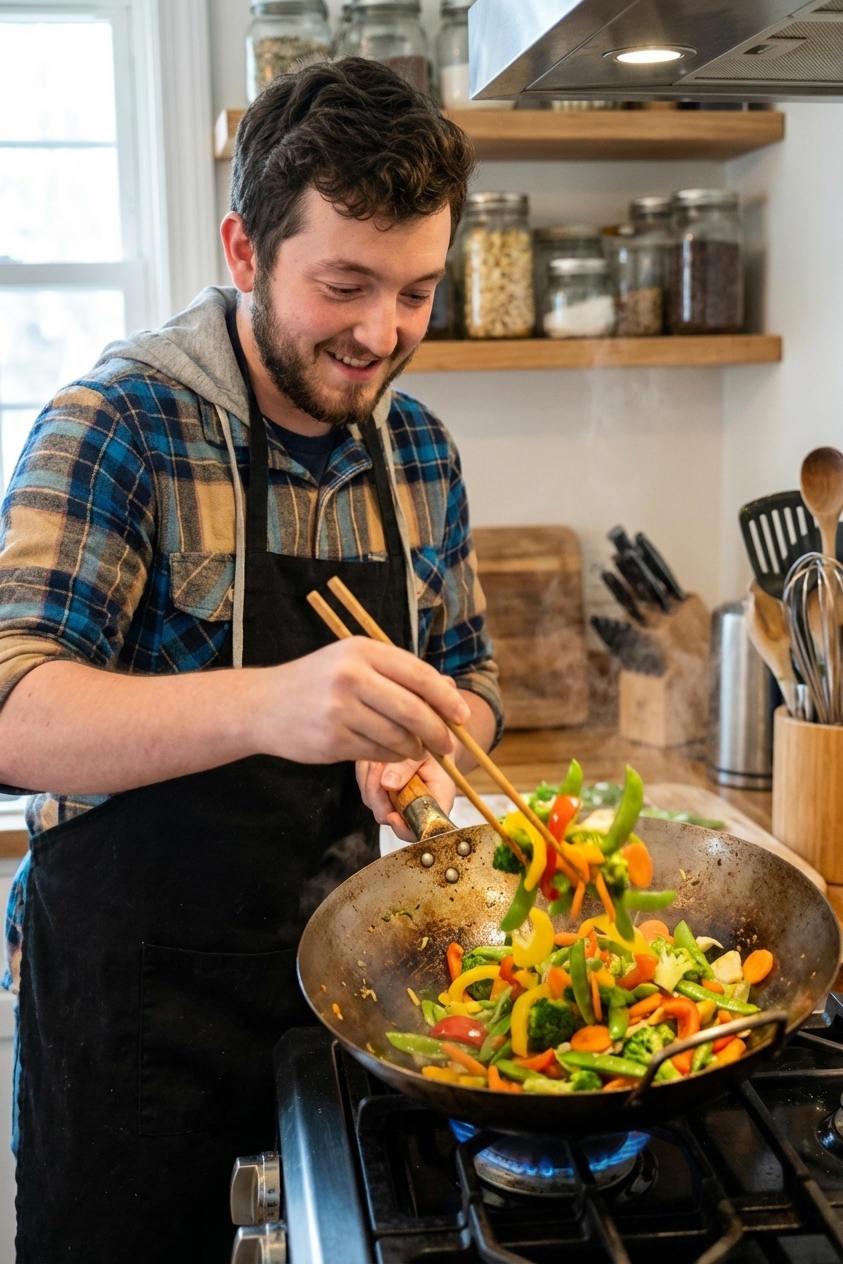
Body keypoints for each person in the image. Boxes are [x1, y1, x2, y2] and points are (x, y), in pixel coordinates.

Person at [0, 59, 502, 1262]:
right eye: (344, 285)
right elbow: (14, 711)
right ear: (244, 249)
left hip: (358, 1009)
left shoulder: (419, 451)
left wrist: (430, 748)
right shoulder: (117, 424)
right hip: (135, 1030)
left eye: (417, 292)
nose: (381, 334)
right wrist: (275, 705)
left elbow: (475, 681)